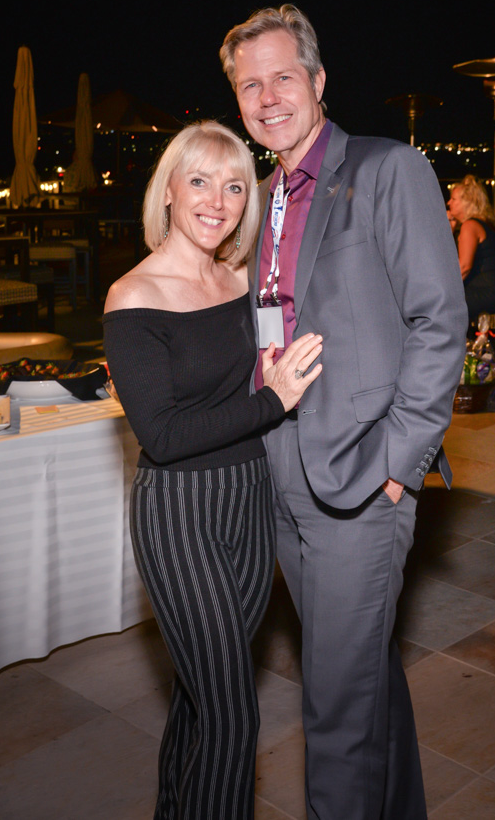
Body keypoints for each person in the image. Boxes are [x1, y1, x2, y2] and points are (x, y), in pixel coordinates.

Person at [219, 5, 468, 820]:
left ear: (319, 80)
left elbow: (440, 321)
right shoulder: (261, 197)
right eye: (249, 85)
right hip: (281, 474)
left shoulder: (389, 168)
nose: (267, 98)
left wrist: (398, 463)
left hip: (362, 477)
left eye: (282, 77)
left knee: (334, 712)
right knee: (363, 680)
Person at [102, 120, 322, 820]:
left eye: (233, 186)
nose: (217, 201)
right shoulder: (133, 295)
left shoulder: (241, 279)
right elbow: (163, 436)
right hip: (179, 514)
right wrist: (272, 400)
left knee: (200, 695)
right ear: (168, 191)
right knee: (233, 713)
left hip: (248, 501)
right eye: (199, 181)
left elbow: (258, 364)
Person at [447, 174, 495, 324]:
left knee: (436, 302)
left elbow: (463, 268)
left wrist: (440, 288)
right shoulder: (484, 223)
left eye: (453, 199)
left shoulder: (470, 226)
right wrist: (449, 231)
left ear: (467, 202)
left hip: (487, 294)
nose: (448, 202)